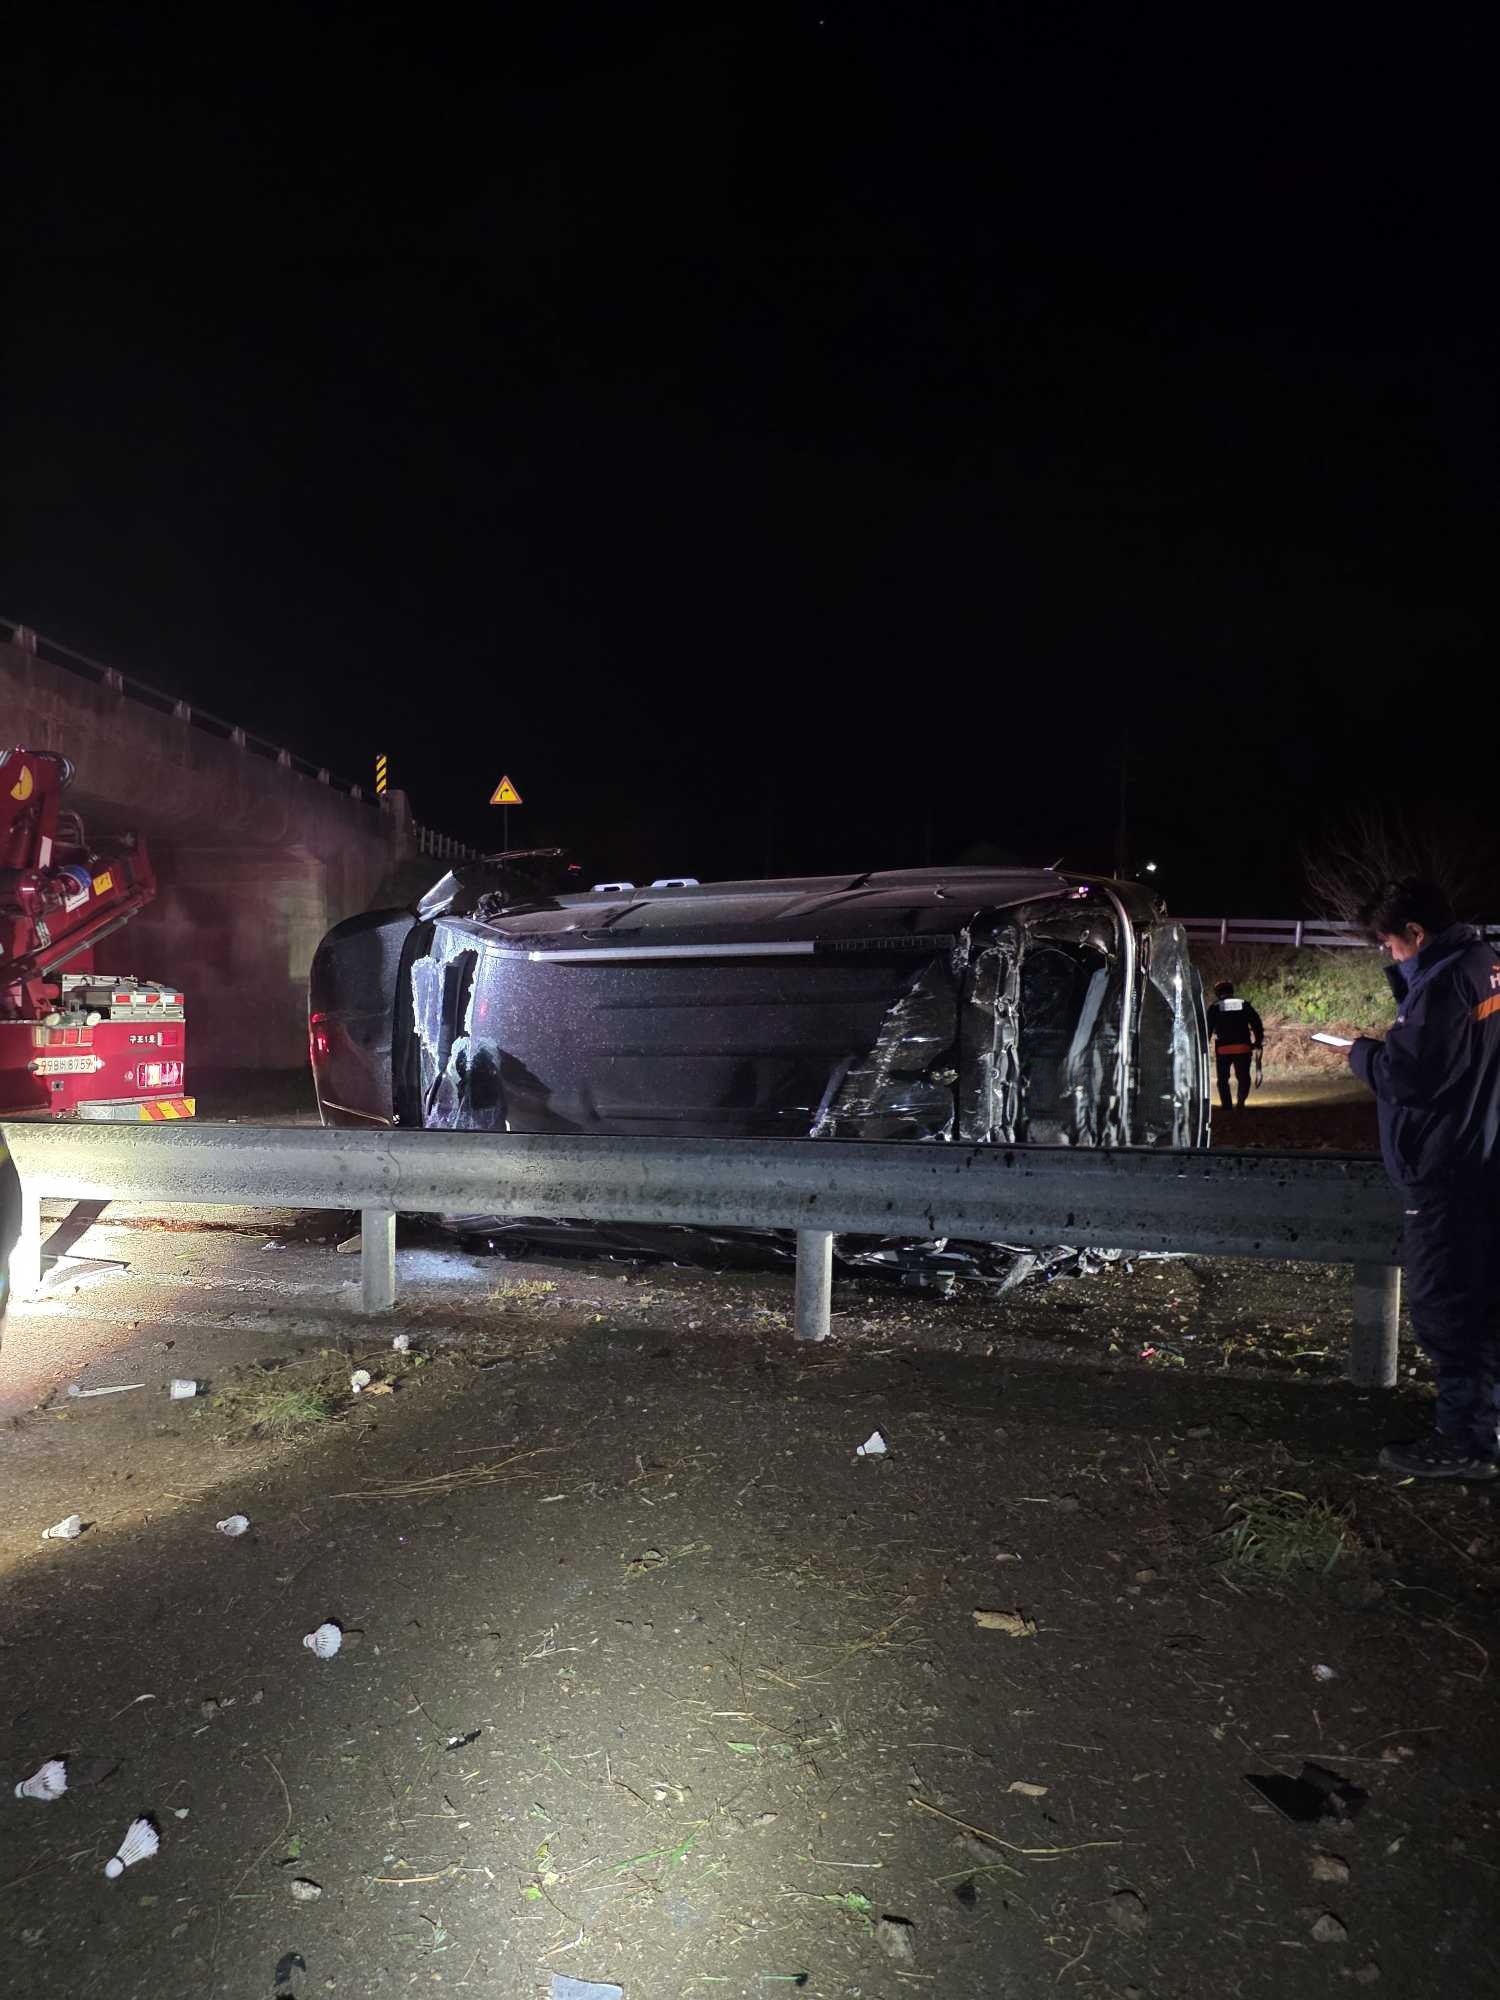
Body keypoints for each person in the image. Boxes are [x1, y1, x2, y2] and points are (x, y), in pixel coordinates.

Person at [1347, 877, 1500, 1480]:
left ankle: (1463, 1442)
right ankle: (1484, 1428)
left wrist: (1361, 1053)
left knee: (1446, 1309)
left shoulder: (1443, 984)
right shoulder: (1487, 965)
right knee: (1482, 1304)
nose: (1389, 954)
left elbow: (1410, 1077)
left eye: (1391, 944)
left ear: (1416, 932)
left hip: (1444, 1169)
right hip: (1482, 1156)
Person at [1205, 979, 1264, 1110]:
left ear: (1217, 993)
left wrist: (1205, 1045)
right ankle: (1241, 1102)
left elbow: (1208, 1029)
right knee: (1243, 1077)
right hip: (1243, 1048)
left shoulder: (1214, 1007)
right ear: (1232, 991)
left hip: (1223, 1049)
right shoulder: (1244, 1004)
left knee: (1223, 1079)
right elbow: (1256, 1023)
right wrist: (1258, 1041)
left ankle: (1227, 1105)